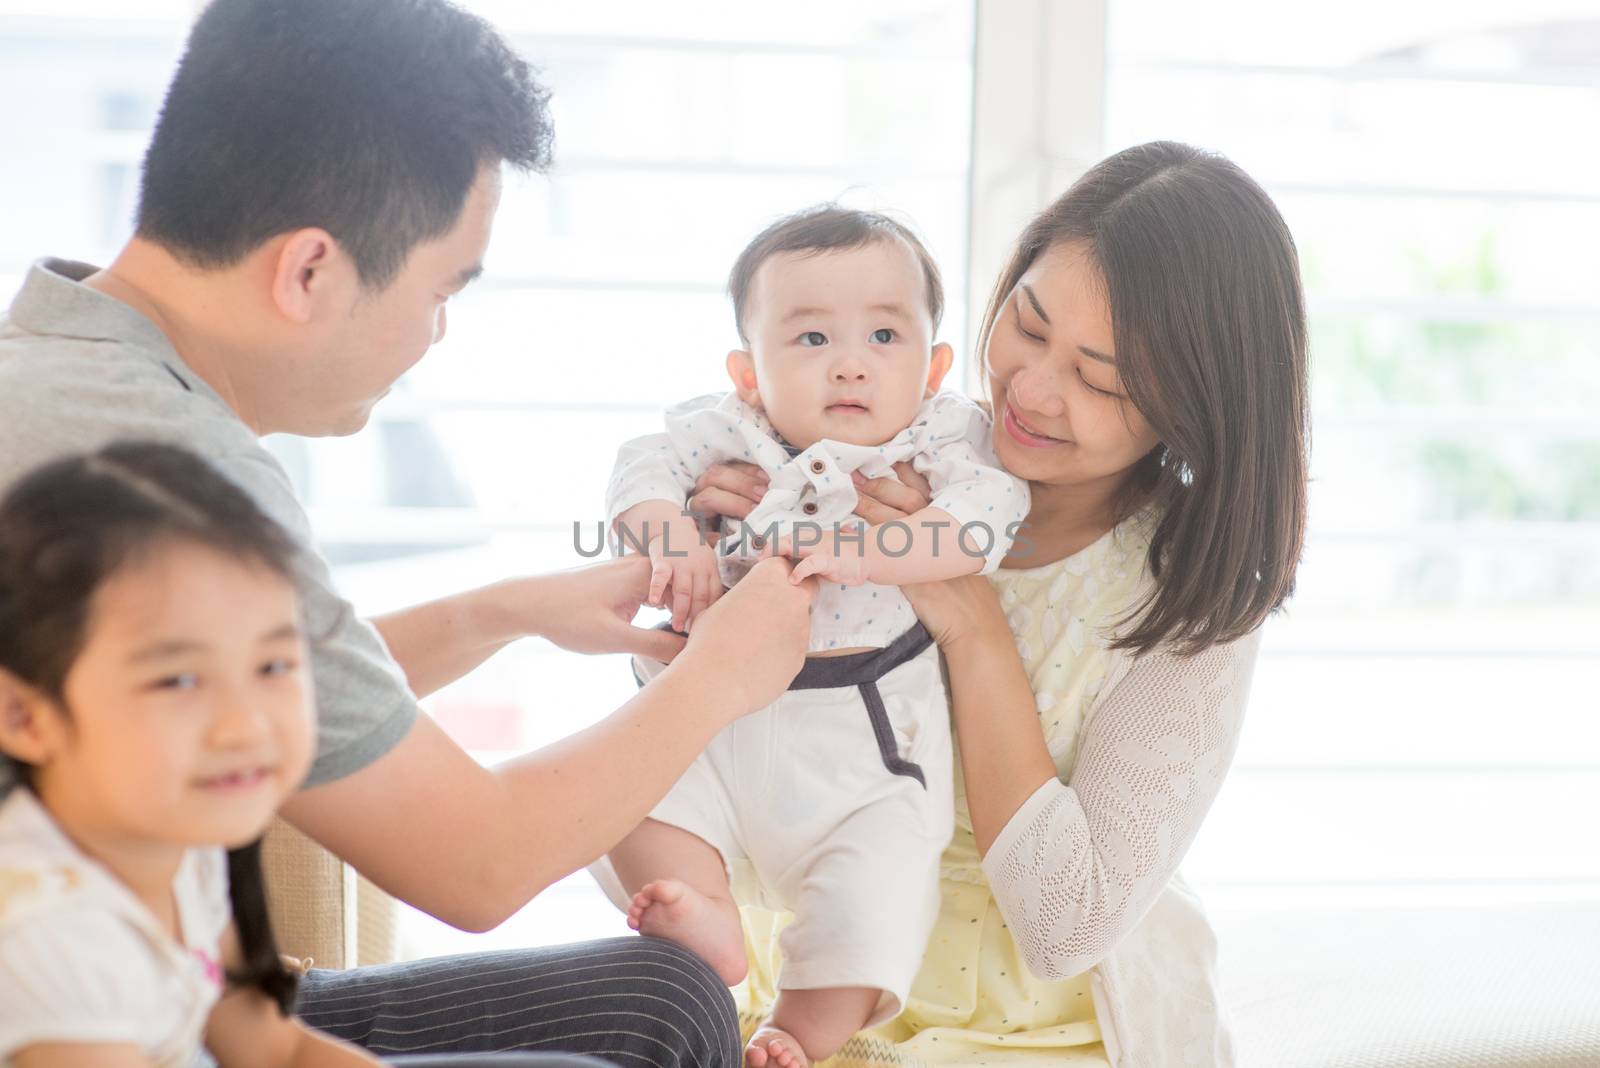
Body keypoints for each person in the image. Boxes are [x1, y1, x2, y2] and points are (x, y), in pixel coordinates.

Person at [0, 2, 814, 1063]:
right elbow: (475, 865)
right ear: (309, 271)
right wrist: (718, 675)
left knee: (660, 1000)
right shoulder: (170, 472)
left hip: (190, 1003)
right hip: (93, 1025)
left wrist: (503, 613)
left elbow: (278, 703)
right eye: (444, 288)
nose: (437, 333)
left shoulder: (57, 362)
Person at [690, 140, 1310, 1067]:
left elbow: (1067, 924)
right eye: (1027, 323)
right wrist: (712, 548)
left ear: (1194, 407)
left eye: (1101, 378)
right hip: (814, 986)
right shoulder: (884, 449)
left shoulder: (1190, 597)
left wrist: (970, 619)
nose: (1030, 389)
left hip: (1047, 1031)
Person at [594, 206, 1030, 1067]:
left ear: (934, 366)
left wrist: (876, 550)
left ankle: (799, 1027)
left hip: (860, 733)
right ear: (749, 373)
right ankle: (705, 911)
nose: (850, 362)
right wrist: (666, 531)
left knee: (879, 884)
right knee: (627, 796)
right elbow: (641, 465)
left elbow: (987, 516)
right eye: (809, 339)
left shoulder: (940, 435)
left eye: (881, 333)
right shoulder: (725, 430)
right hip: (704, 717)